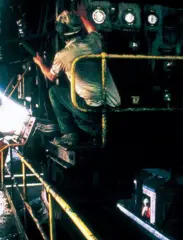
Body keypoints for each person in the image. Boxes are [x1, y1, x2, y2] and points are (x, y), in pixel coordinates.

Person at [33, 4, 121, 146]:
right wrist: (82, 15)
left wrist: (40, 63)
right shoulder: (95, 42)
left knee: (54, 92)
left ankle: (69, 134)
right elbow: (93, 30)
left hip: (90, 110)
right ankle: (97, 130)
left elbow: (51, 77)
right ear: (79, 28)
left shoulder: (62, 55)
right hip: (111, 106)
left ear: (61, 33)